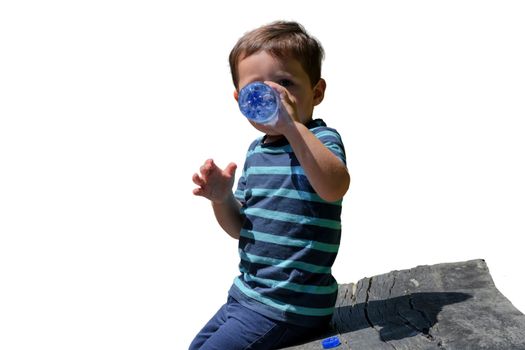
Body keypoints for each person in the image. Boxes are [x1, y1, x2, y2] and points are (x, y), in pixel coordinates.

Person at [189, 20, 350, 350]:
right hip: (247, 295)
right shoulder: (256, 152)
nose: (272, 95)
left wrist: (292, 127)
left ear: (316, 92)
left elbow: (335, 186)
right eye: (256, 88)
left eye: (286, 82)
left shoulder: (320, 140)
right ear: (240, 99)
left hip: (288, 307)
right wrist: (221, 199)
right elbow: (240, 229)